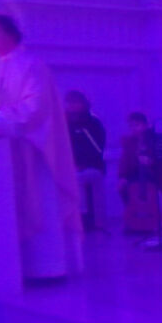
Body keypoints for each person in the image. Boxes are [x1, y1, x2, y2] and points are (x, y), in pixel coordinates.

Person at [0, 14, 83, 280]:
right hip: (3, 152)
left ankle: (48, 267)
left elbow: (36, 107)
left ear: (12, 34)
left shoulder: (31, 64)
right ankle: (17, 269)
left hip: (33, 149)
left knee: (41, 203)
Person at [65, 90, 107, 231]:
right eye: (69, 103)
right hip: (70, 165)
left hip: (93, 166)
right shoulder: (66, 123)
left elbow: (97, 148)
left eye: (75, 102)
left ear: (83, 104)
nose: (71, 106)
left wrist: (82, 164)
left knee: (78, 178)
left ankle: (83, 218)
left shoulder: (92, 123)